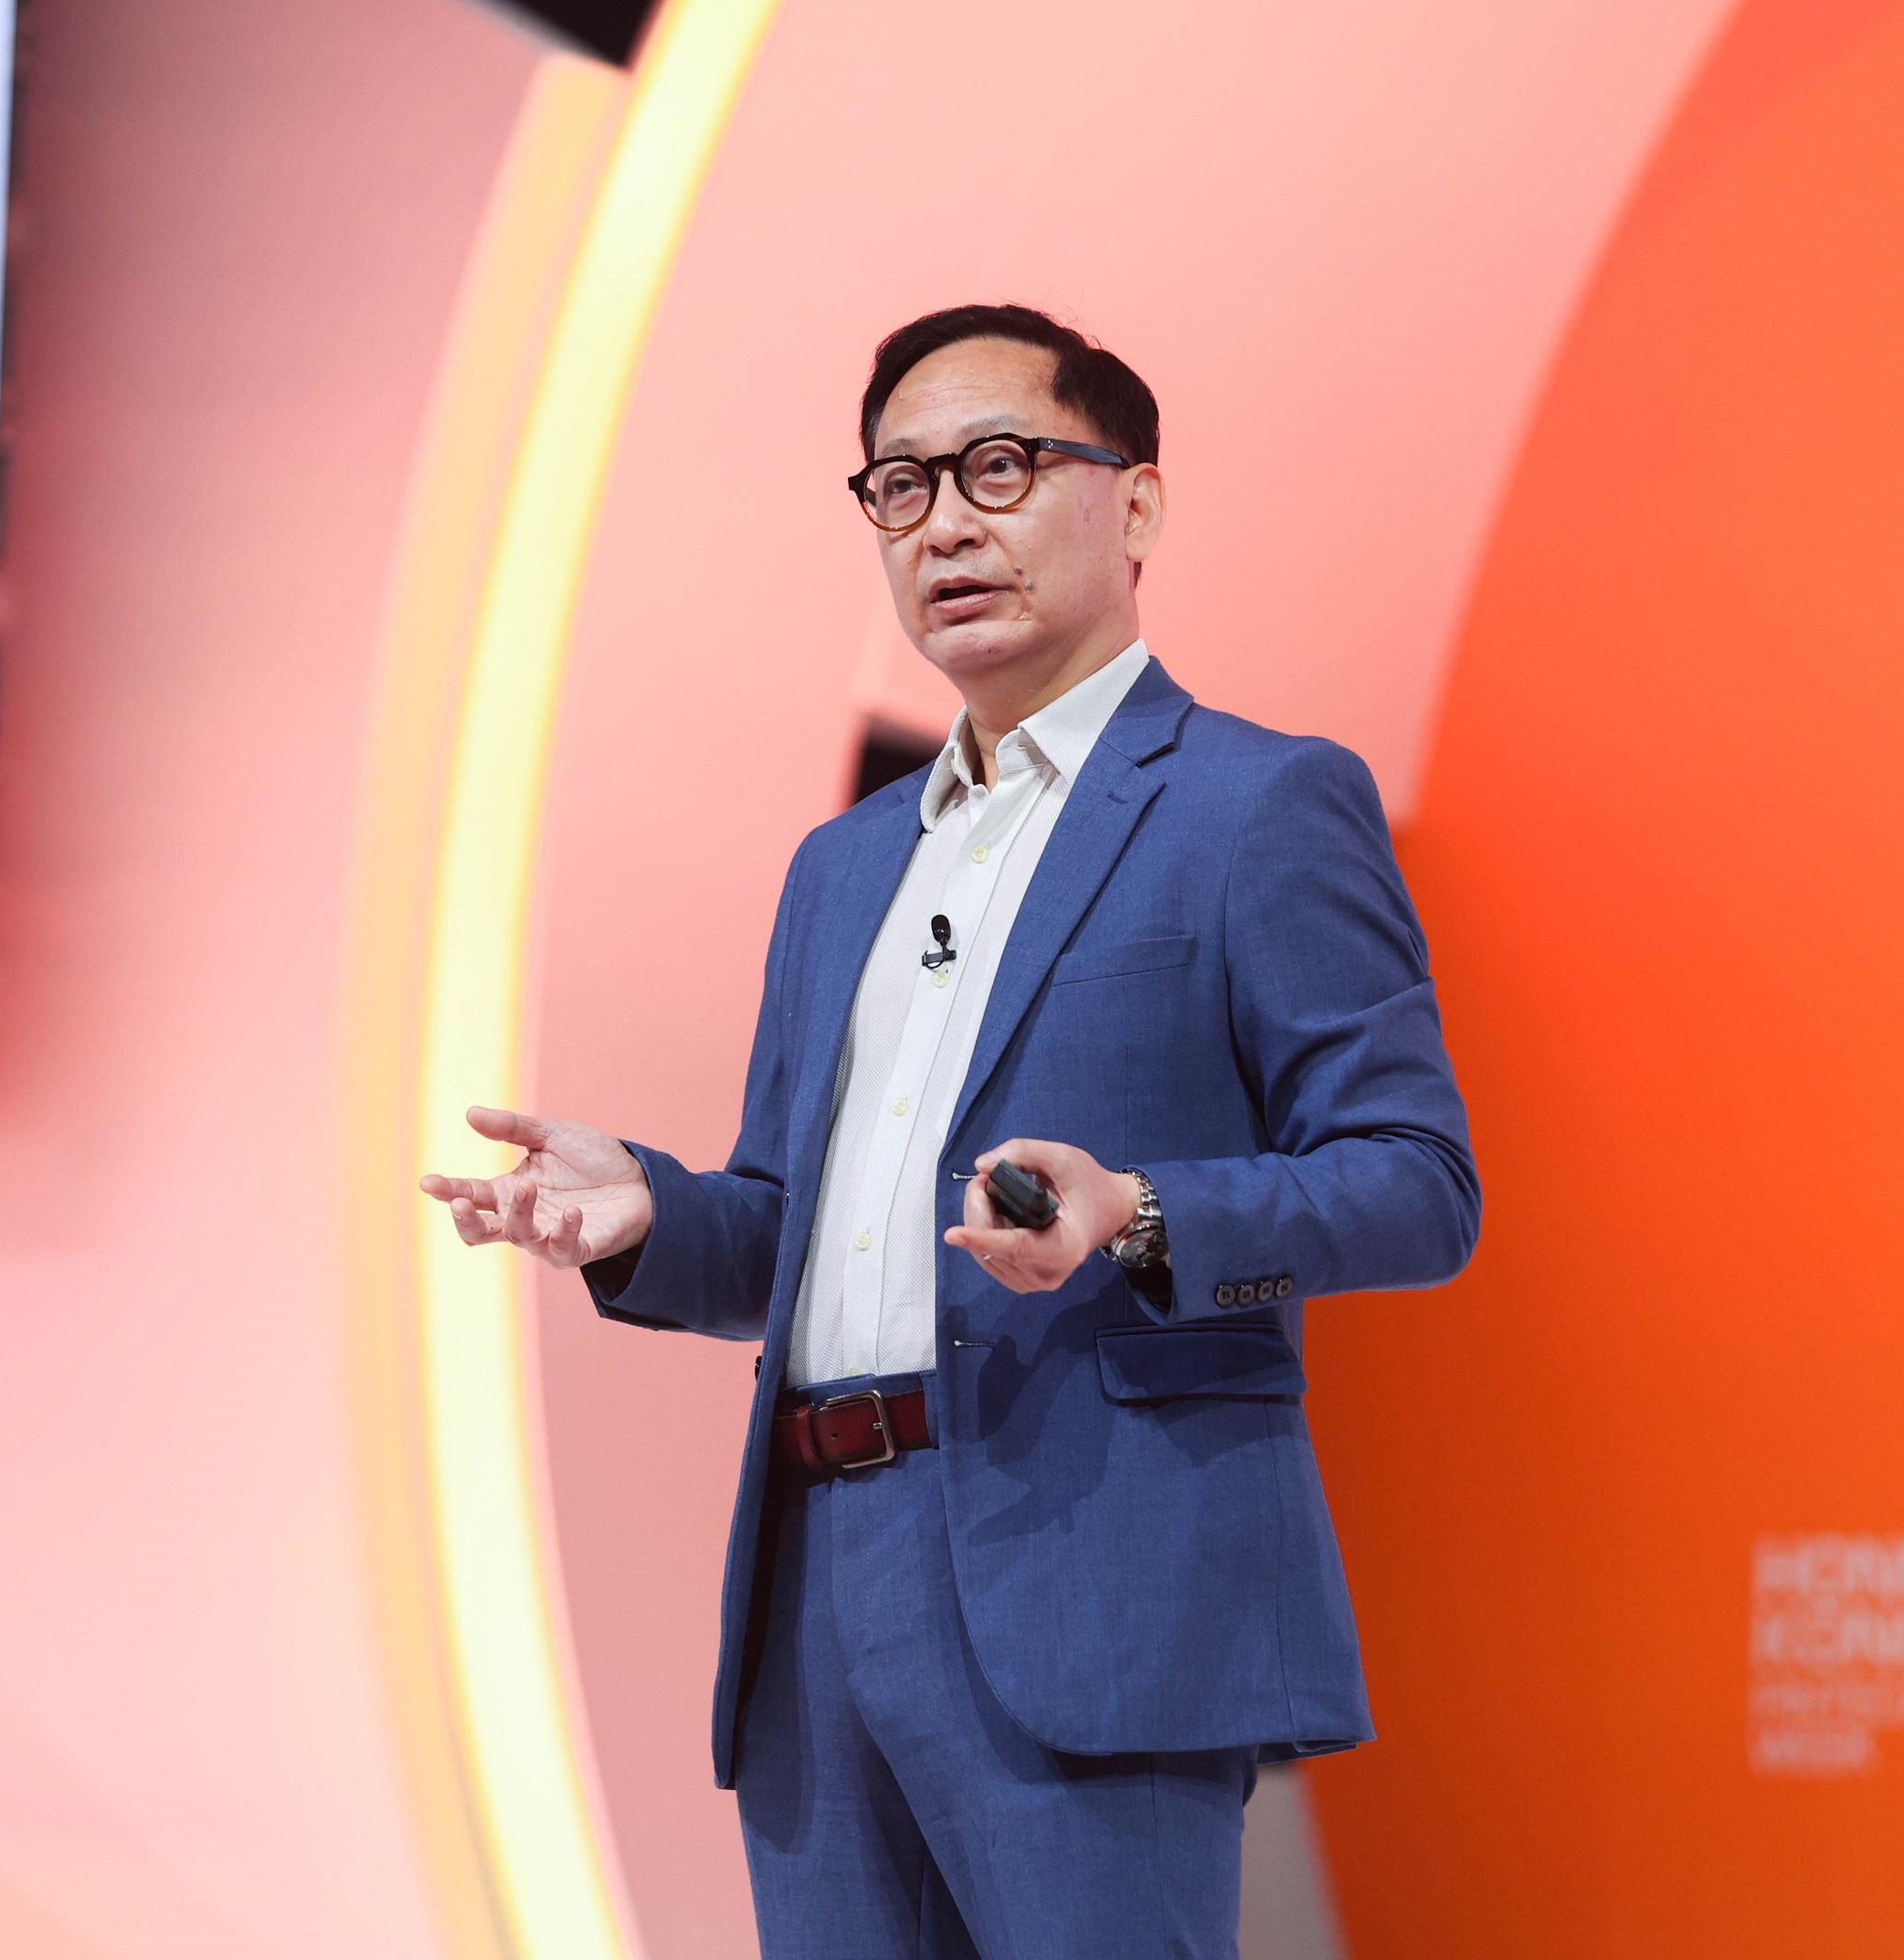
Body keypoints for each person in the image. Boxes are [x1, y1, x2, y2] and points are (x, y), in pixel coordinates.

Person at [419, 302, 1480, 1958]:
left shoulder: (1255, 803)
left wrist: (1137, 1214)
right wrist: (648, 1218)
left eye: (998, 465)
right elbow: (799, 1232)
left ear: (1133, 504)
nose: (946, 522)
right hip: (820, 1575)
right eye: (900, 487)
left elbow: (1416, 1186)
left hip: (1090, 1568)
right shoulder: (841, 867)